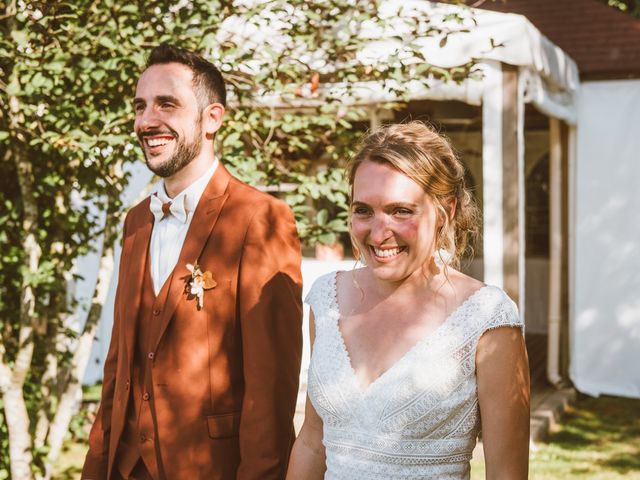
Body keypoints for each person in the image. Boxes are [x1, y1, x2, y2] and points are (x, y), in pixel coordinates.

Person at [82, 44, 303, 480]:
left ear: (212, 119)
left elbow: (271, 390)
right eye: (141, 106)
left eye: (168, 104)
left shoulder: (259, 218)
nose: (147, 121)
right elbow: (119, 365)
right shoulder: (135, 222)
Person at [287, 121, 530, 479]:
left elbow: (506, 475)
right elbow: (312, 439)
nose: (378, 232)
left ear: (444, 212)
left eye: (401, 211)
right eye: (363, 210)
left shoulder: (487, 319)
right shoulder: (327, 299)